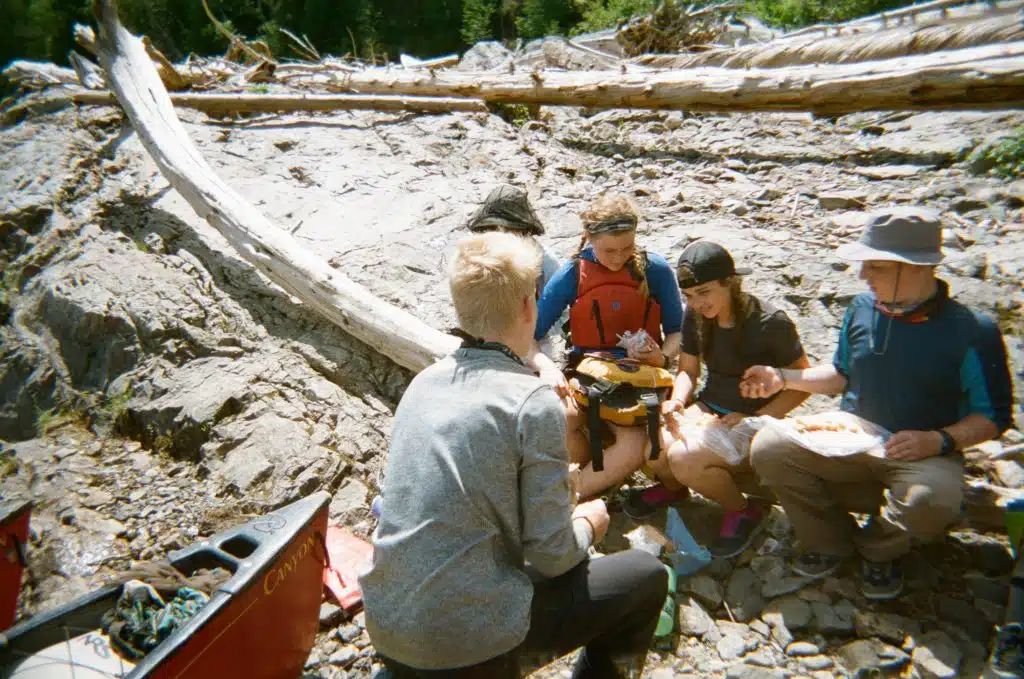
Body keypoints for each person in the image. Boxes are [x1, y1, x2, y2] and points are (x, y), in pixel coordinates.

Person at [360, 231, 668, 678]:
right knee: (644, 577)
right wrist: (587, 524)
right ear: (529, 307)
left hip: (388, 625)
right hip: (468, 648)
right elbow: (552, 555)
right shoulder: (531, 401)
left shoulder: (423, 383)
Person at [741, 208, 1014, 600]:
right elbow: (842, 374)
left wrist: (938, 440)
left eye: (876, 266)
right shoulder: (862, 309)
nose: (863, 276)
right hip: (851, 439)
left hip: (922, 454)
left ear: (919, 268)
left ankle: (878, 550)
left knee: (928, 500)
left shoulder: (972, 331)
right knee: (769, 448)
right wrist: (783, 377)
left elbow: (993, 416)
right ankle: (829, 543)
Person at [624, 241, 811, 559]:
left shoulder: (769, 323)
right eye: (689, 296)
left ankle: (743, 510)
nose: (696, 303)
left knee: (683, 459)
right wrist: (678, 401)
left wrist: (758, 419)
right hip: (710, 407)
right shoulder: (695, 318)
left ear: (730, 282)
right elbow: (688, 370)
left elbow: (803, 383)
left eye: (705, 292)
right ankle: (674, 489)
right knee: (654, 450)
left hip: (756, 415)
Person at [528, 194, 684, 500]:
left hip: (643, 374)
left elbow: (679, 332)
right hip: (588, 373)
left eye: (627, 248)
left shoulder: (655, 269)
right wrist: (546, 368)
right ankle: (593, 474)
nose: (618, 258)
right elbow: (530, 336)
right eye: (608, 250)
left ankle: (572, 498)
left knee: (632, 445)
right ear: (589, 238)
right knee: (557, 422)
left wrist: (662, 356)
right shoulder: (573, 274)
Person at [466, 184, 564, 358]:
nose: (502, 234)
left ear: (525, 230)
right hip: (486, 335)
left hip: (533, 337)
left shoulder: (543, 258)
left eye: (510, 230)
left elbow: (562, 305)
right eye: (495, 229)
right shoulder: (476, 254)